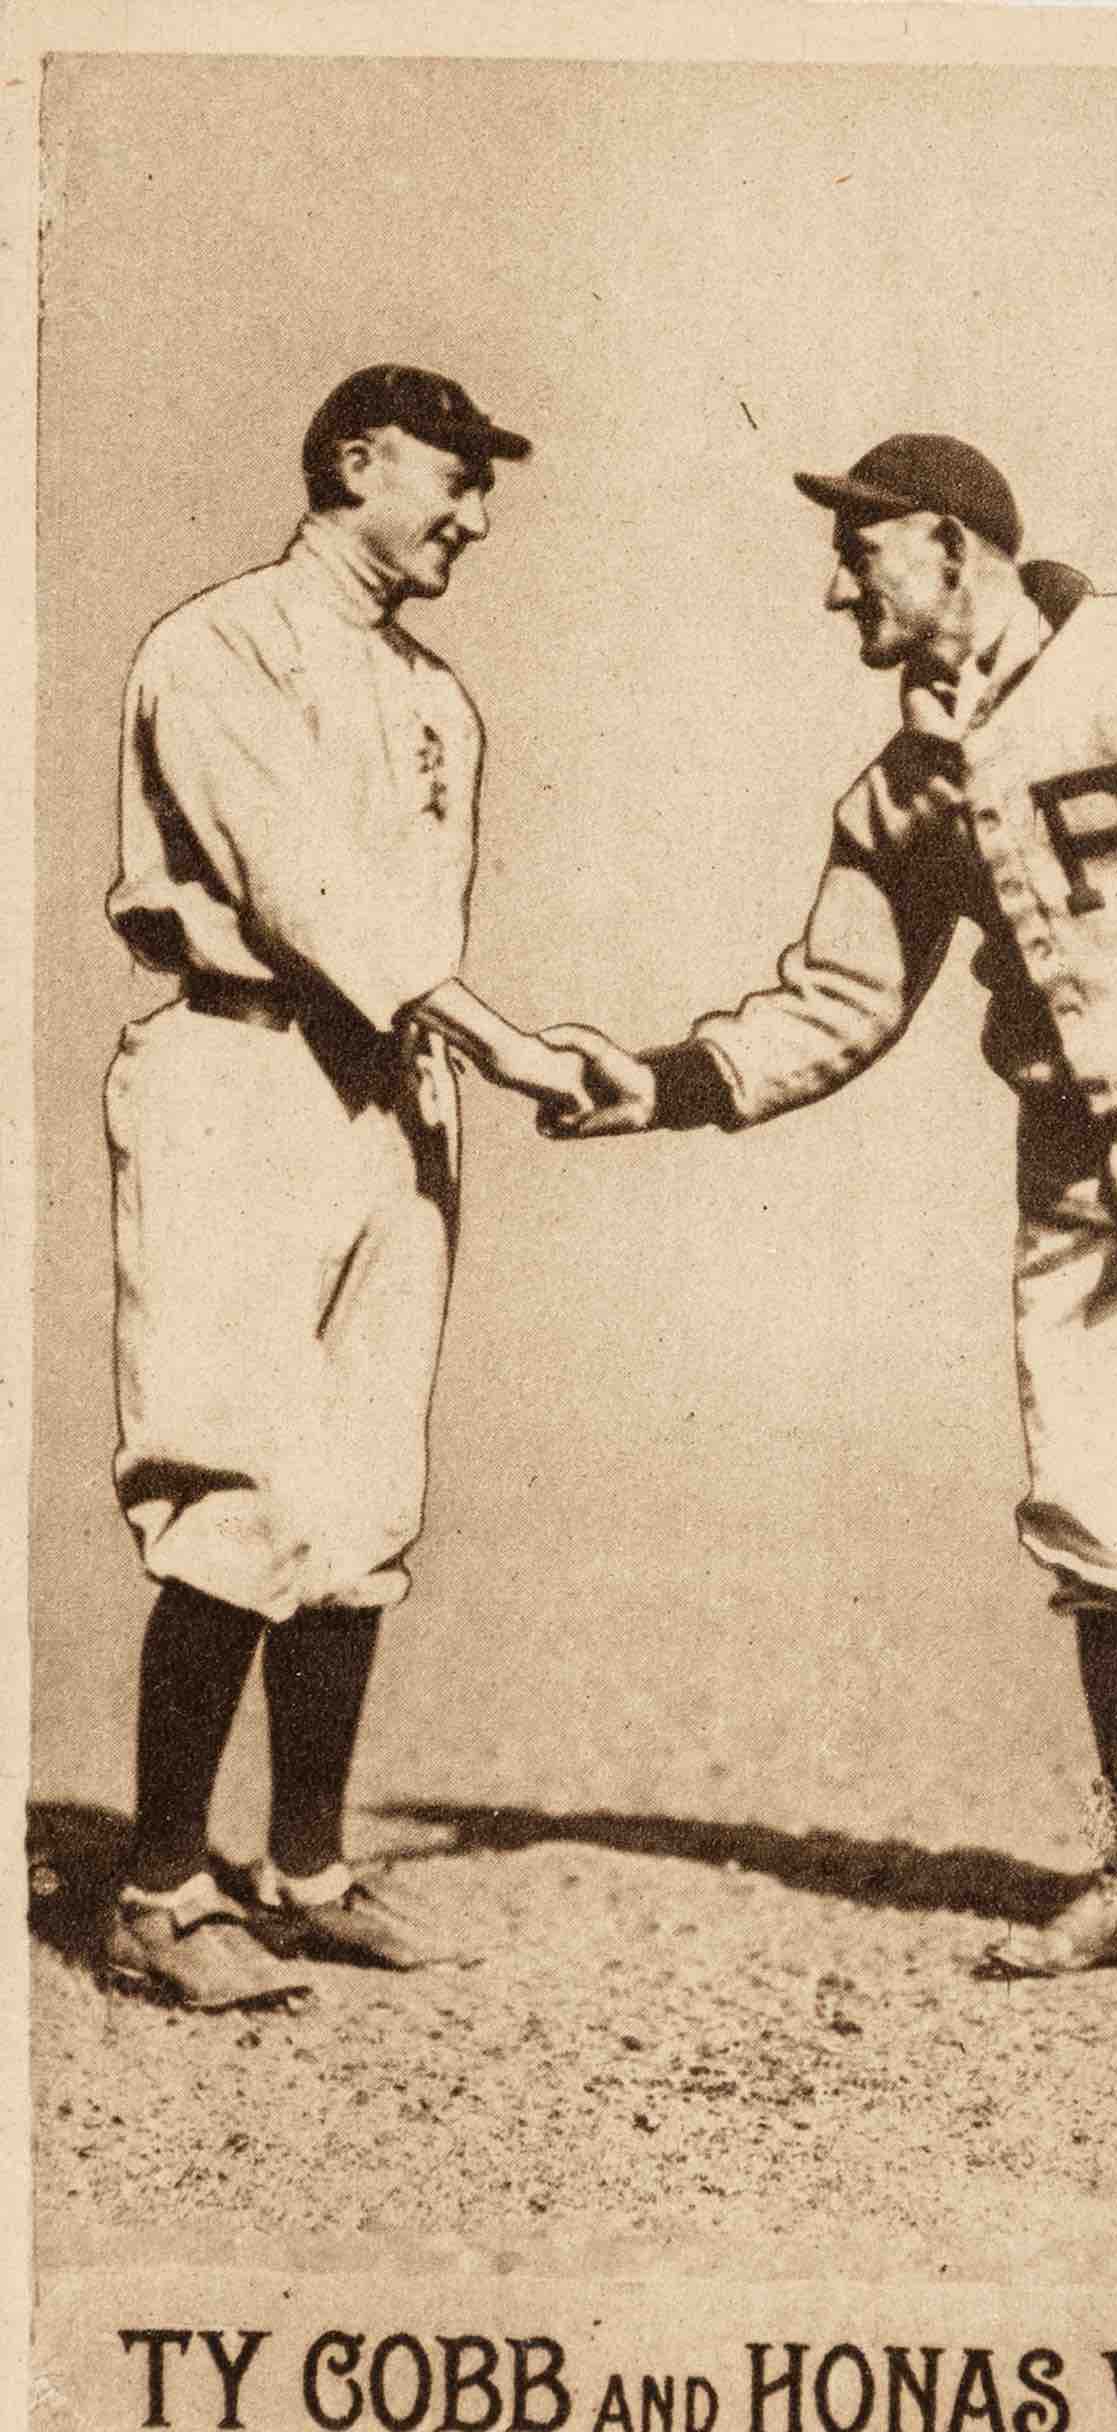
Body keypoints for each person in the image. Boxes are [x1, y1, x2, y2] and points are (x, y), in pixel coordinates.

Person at [535, 433, 1117, 1987]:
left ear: (951, 547)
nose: (840, 588)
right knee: (1101, 1518)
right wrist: (661, 1081)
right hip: (1079, 1172)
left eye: (863, 552)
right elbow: (838, 997)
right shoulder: (903, 790)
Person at [103, 364, 582, 2009]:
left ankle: (305, 1868)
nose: (477, 512)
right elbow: (303, 892)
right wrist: (512, 1045)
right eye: (453, 476)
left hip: (391, 1095)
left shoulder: (440, 694)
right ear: (354, 459)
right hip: (241, 1072)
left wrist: (474, 1051)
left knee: (364, 1501)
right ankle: (159, 1890)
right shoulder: (217, 642)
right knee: (235, 1480)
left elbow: (409, 934)